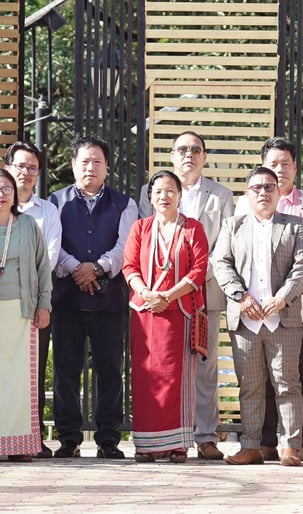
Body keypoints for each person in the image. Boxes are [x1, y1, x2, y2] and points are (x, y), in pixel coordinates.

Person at [137, 131, 233, 461]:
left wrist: (193, 279)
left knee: (204, 368)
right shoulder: (152, 191)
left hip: (205, 292)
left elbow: (224, 244)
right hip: (159, 300)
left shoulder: (221, 195)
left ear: (204, 156)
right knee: (163, 369)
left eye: (195, 149)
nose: (188, 154)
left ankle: (205, 436)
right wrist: (161, 291)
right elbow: (145, 244)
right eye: (181, 149)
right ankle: (167, 435)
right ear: (172, 156)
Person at [214, 167, 303, 466]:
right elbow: (221, 262)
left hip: (283, 317)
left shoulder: (295, 225)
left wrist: (282, 297)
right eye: (256, 188)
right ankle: (250, 446)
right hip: (245, 319)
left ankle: (290, 446)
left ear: (278, 192)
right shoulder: (233, 225)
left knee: (287, 384)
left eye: (269, 187)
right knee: (250, 386)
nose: (263, 193)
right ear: (247, 194)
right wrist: (240, 296)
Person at [236, 137, 303, 462]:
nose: (280, 169)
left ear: (295, 168)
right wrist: (241, 296)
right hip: (252, 308)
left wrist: (284, 295)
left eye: (285, 163)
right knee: (255, 379)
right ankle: (261, 442)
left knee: (295, 375)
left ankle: (295, 442)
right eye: (273, 163)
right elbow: (230, 256)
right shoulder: (243, 207)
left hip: (298, 304)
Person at [49, 136, 138, 459]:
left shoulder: (125, 204)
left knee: (110, 371)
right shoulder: (55, 201)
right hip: (67, 300)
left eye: (97, 161)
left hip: (109, 301)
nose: (91, 167)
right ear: (73, 165)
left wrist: (97, 268)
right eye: (84, 161)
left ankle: (108, 438)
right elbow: (53, 243)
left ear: (107, 167)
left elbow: (125, 245)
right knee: (66, 371)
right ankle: (68, 438)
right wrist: (76, 268)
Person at [0, 169, 52, 462]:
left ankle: (20, 445)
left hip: (21, 310)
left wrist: (44, 304)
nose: (1, 194)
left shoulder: (27, 225)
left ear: (15, 194)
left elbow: (43, 267)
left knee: (20, 380)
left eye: (6, 189)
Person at [125, 169, 209, 463]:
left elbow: (199, 269)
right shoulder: (140, 228)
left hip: (179, 314)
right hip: (145, 314)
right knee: (146, 378)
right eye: (158, 191)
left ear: (180, 195)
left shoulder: (192, 228)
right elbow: (129, 266)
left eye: (171, 190)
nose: (165, 196)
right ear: (150, 197)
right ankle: (146, 445)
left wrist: (167, 296)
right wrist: (146, 294)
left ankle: (178, 444)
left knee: (178, 380)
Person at [4, 141, 62, 458]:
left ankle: (32, 438)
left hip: (34, 300)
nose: (25, 173)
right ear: (7, 168)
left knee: (32, 373)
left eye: (32, 168)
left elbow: (49, 258)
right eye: (20, 166)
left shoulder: (48, 211)